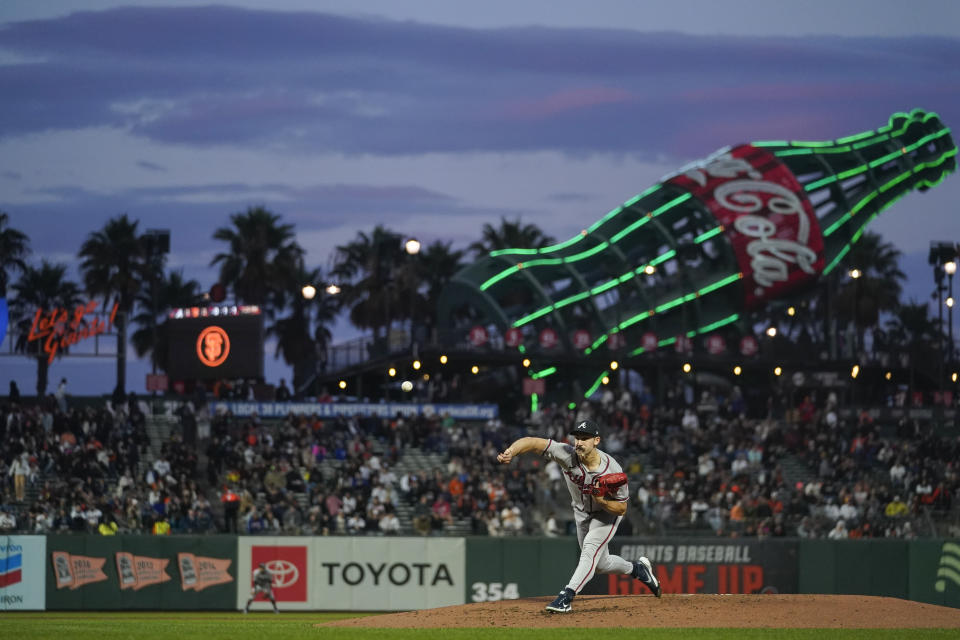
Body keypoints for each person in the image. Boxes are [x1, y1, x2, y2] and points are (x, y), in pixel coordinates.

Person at [497, 419, 660, 613]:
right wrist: (511, 451)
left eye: (585, 438)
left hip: (606, 513)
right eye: (577, 438)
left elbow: (622, 508)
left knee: (590, 550)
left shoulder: (612, 469)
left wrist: (603, 502)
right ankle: (637, 569)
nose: (579, 442)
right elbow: (533, 442)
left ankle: (566, 597)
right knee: (600, 564)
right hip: (581, 513)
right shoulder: (566, 454)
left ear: (596, 441)